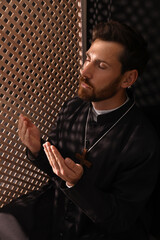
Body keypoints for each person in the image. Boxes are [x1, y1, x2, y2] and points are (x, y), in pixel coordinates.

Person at [2, 20, 160, 240]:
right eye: (88, 59)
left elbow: (120, 219)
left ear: (128, 78)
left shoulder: (142, 141)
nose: (84, 71)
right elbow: (56, 169)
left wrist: (77, 184)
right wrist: (38, 149)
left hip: (99, 228)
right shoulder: (73, 107)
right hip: (57, 209)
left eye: (101, 65)